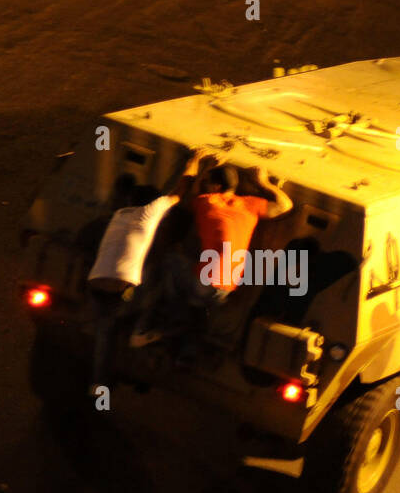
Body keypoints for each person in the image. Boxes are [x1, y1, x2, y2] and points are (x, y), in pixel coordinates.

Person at [132, 158, 293, 349]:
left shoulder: (207, 202)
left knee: (171, 258)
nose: (204, 185)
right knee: (194, 284)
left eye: (207, 181)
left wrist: (205, 165)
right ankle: (180, 322)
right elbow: (285, 206)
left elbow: (189, 193)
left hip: (204, 285)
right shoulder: (251, 205)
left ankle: (165, 311)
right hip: (224, 291)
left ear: (215, 186)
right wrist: (263, 182)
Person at [84, 150, 211, 393]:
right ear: (152, 204)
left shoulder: (120, 215)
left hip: (96, 285)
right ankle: (141, 331)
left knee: (106, 331)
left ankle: (98, 382)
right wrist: (194, 162)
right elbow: (179, 190)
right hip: (122, 289)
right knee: (157, 283)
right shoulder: (149, 214)